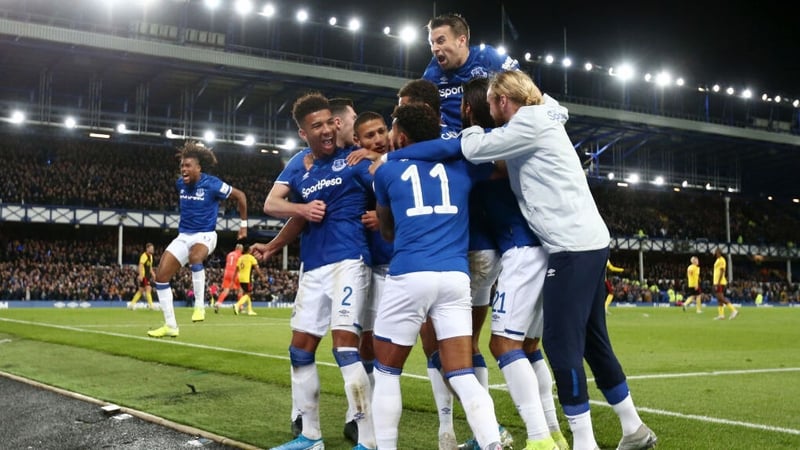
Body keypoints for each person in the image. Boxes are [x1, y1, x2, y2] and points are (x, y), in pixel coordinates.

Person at [383, 70, 657, 450]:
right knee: (583, 343)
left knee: (532, 345)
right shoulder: (536, 120)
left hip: (557, 247)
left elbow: (471, 149)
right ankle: (630, 427)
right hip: (575, 243)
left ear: (495, 102)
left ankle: (566, 440)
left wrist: (393, 158)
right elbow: (543, 110)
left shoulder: (519, 128)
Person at [371, 102, 504, 450]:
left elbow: (387, 230)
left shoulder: (385, 171)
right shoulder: (462, 165)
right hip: (455, 277)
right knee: (462, 375)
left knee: (386, 372)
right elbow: (501, 168)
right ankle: (492, 443)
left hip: (409, 275)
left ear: (401, 136)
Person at [263, 92, 376, 450]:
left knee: (345, 348)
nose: (327, 130)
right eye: (317, 126)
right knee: (300, 349)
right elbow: (271, 203)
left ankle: (368, 439)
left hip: (349, 260)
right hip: (313, 267)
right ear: (303, 133)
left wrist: (378, 160)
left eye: (330, 122)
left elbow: (391, 182)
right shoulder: (299, 163)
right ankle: (310, 436)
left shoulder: (353, 158)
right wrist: (300, 210)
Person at [461, 76, 566, 450]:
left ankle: (539, 439)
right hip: (546, 248)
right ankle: (554, 432)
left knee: (503, 345)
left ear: (468, 109)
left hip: (521, 252)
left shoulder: (485, 148)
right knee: (530, 347)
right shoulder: (519, 139)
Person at [147, 141, 248, 338]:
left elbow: (241, 196)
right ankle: (170, 325)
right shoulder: (180, 184)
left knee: (195, 257)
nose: (183, 169)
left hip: (206, 235)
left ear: (198, 168)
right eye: (182, 166)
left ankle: (200, 306)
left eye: (188, 166)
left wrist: (243, 225)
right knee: (160, 277)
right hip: (184, 236)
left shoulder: (212, 184)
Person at [423, 13, 519, 130]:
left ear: (461, 41)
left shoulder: (490, 58)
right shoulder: (432, 72)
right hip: (450, 136)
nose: (434, 48)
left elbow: (523, 91)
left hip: (492, 135)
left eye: (440, 41)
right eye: (432, 43)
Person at [233, 246, 263, 316]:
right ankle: (237, 305)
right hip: (247, 279)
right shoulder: (251, 258)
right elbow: (257, 268)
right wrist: (262, 276)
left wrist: (234, 278)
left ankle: (250, 310)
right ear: (249, 250)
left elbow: (236, 269)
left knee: (247, 293)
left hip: (240, 278)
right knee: (248, 294)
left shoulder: (240, 258)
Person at [214, 243, 243, 312]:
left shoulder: (229, 254)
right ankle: (240, 307)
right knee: (240, 290)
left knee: (226, 290)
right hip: (235, 273)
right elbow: (240, 266)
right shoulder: (240, 255)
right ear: (241, 249)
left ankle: (218, 303)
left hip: (227, 273)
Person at [713, 248, 739, 320]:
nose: (714, 253)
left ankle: (734, 310)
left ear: (718, 252)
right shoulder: (718, 260)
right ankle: (721, 315)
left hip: (720, 282)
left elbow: (722, 271)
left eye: (715, 252)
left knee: (721, 298)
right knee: (719, 299)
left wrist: (718, 282)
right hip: (716, 282)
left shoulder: (722, 260)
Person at [128, 242, 155, 310]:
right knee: (148, 288)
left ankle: (132, 304)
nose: (152, 250)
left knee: (141, 290)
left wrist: (153, 274)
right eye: (151, 248)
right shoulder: (144, 256)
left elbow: (150, 267)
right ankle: (151, 306)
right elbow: (140, 265)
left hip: (147, 276)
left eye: (153, 248)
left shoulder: (151, 257)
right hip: (144, 276)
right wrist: (140, 275)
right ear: (147, 249)